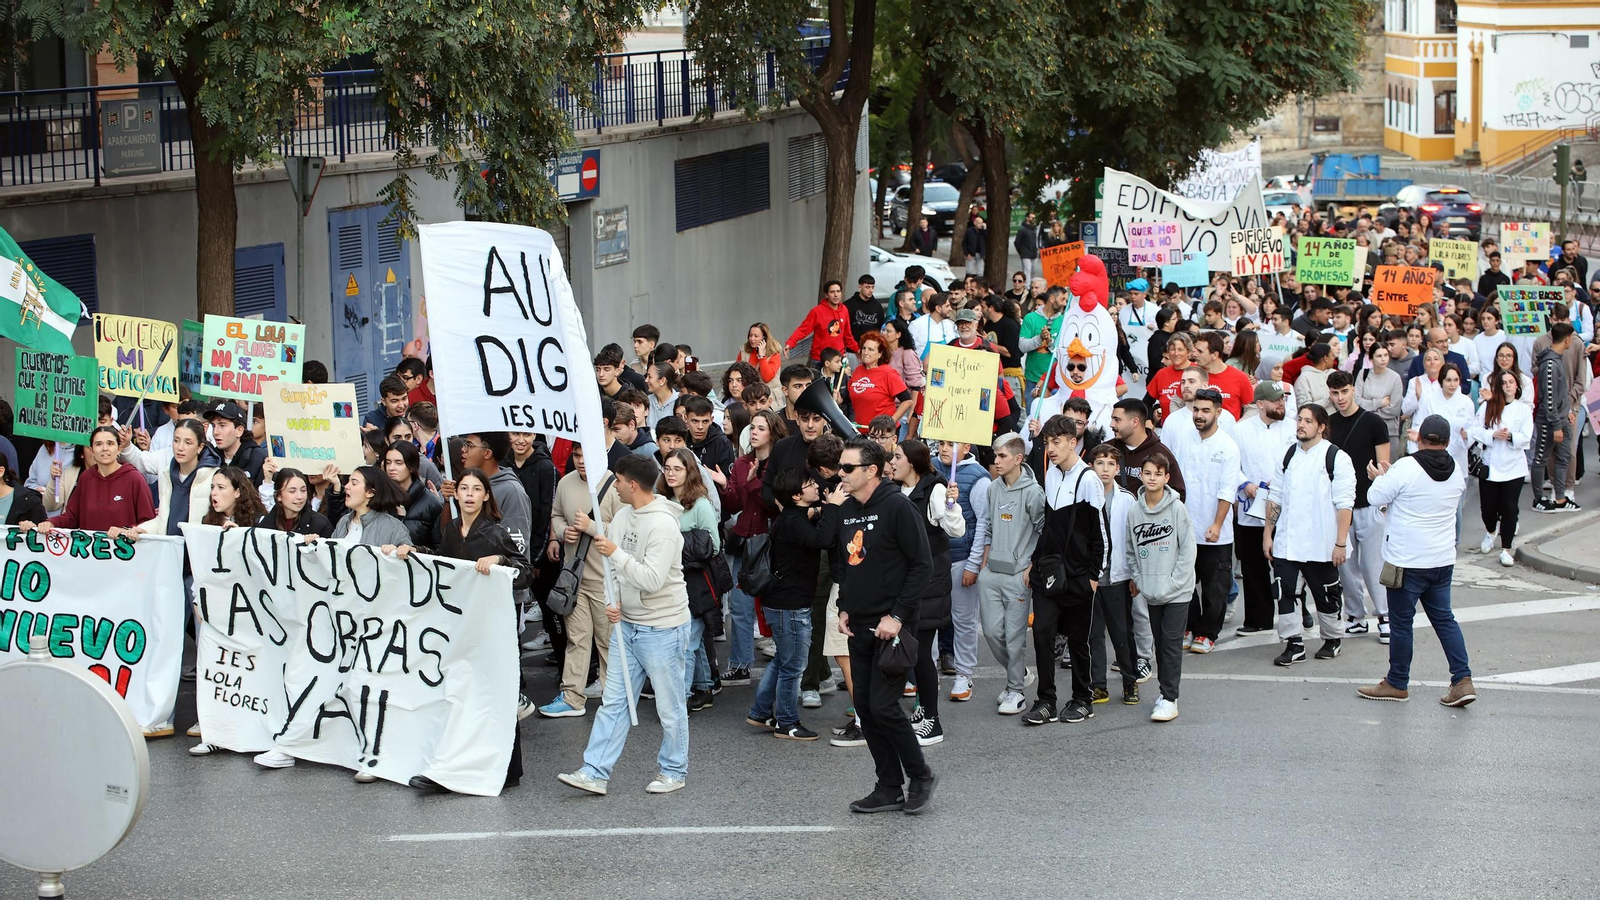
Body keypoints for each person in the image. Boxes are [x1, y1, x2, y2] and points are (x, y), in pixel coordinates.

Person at [379, 467, 534, 791]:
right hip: (457, 629)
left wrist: (501, 562)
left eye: (476, 489)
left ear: (485, 496)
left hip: (490, 631)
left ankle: (506, 769)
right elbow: (442, 561)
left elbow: (527, 572)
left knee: (494, 697)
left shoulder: (495, 534)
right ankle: (449, 768)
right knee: (456, 696)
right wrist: (416, 553)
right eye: (464, 488)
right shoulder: (449, 529)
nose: (468, 494)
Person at [558, 453, 693, 797]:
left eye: (617, 481)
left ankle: (673, 770)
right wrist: (611, 601)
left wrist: (616, 552)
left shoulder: (663, 526)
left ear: (633, 485)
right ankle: (594, 772)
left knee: (669, 705)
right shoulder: (621, 515)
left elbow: (651, 579)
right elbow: (611, 571)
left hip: (662, 628)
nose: (613, 486)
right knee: (613, 701)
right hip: (626, 626)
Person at [833, 438, 936, 815]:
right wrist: (844, 606)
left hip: (892, 628)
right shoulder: (846, 511)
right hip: (858, 626)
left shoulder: (897, 507)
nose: (839, 474)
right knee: (865, 705)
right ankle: (889, 786)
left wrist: (897, 616)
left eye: (847, 468)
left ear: (871, 471)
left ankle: (920, 775)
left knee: (884, 706)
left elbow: (922, 565)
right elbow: (846, 564)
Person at [1359, 415, 1476, 707]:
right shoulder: (1455, 470)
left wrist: (1383, 477)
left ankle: (1397, 682)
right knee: (1444, 619)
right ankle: (1462, 680)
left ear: (1418, 438)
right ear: (1447, 442)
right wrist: (1393, 480)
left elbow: (1375, 496)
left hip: (1405, 560)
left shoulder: (1407, 467)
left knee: (1401, 623)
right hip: (1441, 559)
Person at [1022, 416, 1107, 725]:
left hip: (1079, 577)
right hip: (1049, 571)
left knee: (1077, 641)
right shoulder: (1052, 474)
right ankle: (1046, 700)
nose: (1051, 448)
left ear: (1073, 442)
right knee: (1043, 634)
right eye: (1047, 442)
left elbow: (1101, 535)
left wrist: (1094, 577)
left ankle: (1083, 699)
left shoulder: (1088, 480)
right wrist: (1035, 560)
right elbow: (1049, 527)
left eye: (1056, 442)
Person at [750, 464, 841, 741]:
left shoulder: (794, 515)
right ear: (796, 495)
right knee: (793, 666)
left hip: (783, 602)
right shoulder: (793, 521)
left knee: (783, 660)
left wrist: (823, 510)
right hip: (789, 605)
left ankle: (760, 712)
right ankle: (787, 723)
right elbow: (822, 539)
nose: (816, 486)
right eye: (810, 484)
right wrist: (834, 507)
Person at [1265, 405, 1356, 666]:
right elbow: (1275, 497)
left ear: (1321, 427)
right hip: (1287, 542)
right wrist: (1268, 534)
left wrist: (1340, 543)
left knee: (1326, 594)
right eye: (1299, 419)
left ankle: (1332, 639)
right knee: (1284, 592)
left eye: (1308, 421)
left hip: (1322, 543)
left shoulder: (1337, 458)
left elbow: (1344, 504)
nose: (1301, 425)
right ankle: (1294, 644)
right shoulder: (1287, 455)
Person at [539, 442, 622, 718]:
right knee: (577, 639)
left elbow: (626, 530)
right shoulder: (565, 483)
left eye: (586, 455)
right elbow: (556, 516)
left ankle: (614, 697)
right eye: (576, 456)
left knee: (608, 641)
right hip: (573, 580)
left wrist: (591, 527)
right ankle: (572, 696)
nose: (581, 461)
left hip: (605, 581)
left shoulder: (613, 484)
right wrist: (563, 532)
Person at [890, 439, 964, 746]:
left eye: (896, 456)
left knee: (920, 654)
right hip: (906, 584)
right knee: (911, 653)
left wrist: (950, 504)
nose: (891, 461)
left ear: (912, 462)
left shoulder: (934, 490)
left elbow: (956, 530)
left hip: (929, 585)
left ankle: (932, 720)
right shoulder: (898, 490)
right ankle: (922, 714)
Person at [1168, 388, 1241, 655]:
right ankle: (1190, 627)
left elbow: (1227, 491)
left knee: (1215, 588)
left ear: (1218, 413)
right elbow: (1175, 480)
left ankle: (1208, 633)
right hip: (1185, 527)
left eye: (1205, 410)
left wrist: (1218, 524)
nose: (1199, 415)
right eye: (1196, 410)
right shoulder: (1184, 439)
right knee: (1185, 583)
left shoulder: (1228, 446)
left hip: (1215, 531)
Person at [1125, 451, 1195, 723]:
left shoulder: (1177, 509)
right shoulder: (1135, 511)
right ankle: (1166, 692)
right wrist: (1141, 581)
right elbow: (1131, 550)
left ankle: (1169, 698)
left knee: (1170, 644)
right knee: (1160, 644)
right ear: (1141, 476)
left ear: (1167, 478)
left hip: (1177, 592)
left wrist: (1172, 584)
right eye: (1147, 473)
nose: (1152, 478)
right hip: (1151, 591)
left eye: (1158, 473)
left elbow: (1188, 551)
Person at [1326, 370, 1394, 642]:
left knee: (1373, 562)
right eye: (1335, 393)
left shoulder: (1374, 422)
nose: (1340, 398)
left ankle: (1385, 614)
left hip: (1369, 503)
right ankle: (1355, 614)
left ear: (1353, 390)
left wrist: (1384, 499)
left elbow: (1384, 467)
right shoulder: (1328, 424)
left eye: (1344, 392)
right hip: (1342, 505)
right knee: (1345, 564)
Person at [656, 448, 722, 712]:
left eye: (677, 469)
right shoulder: (660, 500)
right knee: (690, 638)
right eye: (667, 468)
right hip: (670, 581)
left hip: (696, 583)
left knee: (687, 642)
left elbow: (714, 546)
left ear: (689, 471)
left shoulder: (701, 504)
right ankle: (704, 686)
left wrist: (676, 546)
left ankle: (678, 701)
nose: (671, 473)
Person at [1233, 382, 1295, 636]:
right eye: (1274, 400)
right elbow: (1231, 463)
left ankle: (1297, 614)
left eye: (1282, 399)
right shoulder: (1240, 430)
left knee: (1289, 564)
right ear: (1260, 404)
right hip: (1251, 508)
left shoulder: (1292, 427)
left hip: (1285, 506)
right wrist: (1244, 483)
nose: (1280, 403)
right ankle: (1259, 618)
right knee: (1253, 564)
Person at [934, 440, 992, 703]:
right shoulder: (932, 468)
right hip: (933, 559)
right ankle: (923, 672)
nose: (943, 450)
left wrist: (973, 563)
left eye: (950, 445)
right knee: (928, 619)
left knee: (964, 620)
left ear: (966, 447)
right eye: (941, 444)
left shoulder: (979, 477)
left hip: (960, 559)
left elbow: (983, 523)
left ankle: (964, 673)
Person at [23, 426, 153, 535]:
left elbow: (148, 523)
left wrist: (125, 531)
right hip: (90, 560)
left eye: (110, 443)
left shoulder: (135, 479)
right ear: (91, 450)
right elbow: (72, 517)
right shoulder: (86, 478)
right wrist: (51, 522)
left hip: (126, 557)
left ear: (119, 449)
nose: (105, 448)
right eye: (98, 444)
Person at [1086, 442, 1140, 707]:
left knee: (1122, 632)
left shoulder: (1127, 500)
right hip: (1092, 578)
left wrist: (1134, 576)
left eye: (1110, 464)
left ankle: (1130, 681)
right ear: (1091, 466)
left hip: (1118, 577)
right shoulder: (1084, 497)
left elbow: (1133, 541)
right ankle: (1098, 685)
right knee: (1094, 634)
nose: (1104, 469)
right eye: (1099, 463)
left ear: (1118, 469)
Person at [1470, 370, 1534, 566]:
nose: (1507, 385)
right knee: (1488, 508)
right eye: (1504, 382)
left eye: (1511, 382)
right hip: (1491, 465)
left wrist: (1511, 437)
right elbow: (1475, 430)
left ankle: (1507, 548)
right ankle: (1491, 531)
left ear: (1517, 385)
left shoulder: (1523, 410)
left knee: (1509, 508)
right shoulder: (1488, 406)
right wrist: (1493, 435)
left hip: (1513, 466)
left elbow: (1526, 436)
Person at [845, 330, 914, 433]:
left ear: (880, 354)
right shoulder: (858, 370)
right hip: (861, 430)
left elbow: (907, 401)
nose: (866, 352)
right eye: (864, 348)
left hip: (882, 433)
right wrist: (839, 398)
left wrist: (890, 423)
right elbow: (850, 397)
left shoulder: (888, 373)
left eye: (871, 350)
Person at [329, 466, 411, 547]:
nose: (346, 486)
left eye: (354, 483)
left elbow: (408, 556)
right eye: (348, 481)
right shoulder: (344, 521)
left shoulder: (393, 527)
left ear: (370, 492)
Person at [383, 441, 442, 549]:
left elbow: (440, 550)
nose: (391, 468)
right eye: (388, 462)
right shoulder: (380, 499)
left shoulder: (431, 503)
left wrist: (416, 550)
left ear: (412, 466)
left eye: (398, 463)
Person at [787, 280, 860, 367]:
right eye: (832, 292)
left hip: (838, 358)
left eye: (838, 291)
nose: (836, 295)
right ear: (826, 295)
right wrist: (790, 343)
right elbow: (803, 330)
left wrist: (858, 350)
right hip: (820, 359)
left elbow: (847, 336)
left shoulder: (844, 310)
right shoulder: (817, 311)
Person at [1355, 344, 1405, 460]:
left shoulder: (1395, 378)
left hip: (1389, 431)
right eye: (1379, 356)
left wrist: (1369, 409)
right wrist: (1379, 403)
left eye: (1386, 355)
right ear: (1371, 358)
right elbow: (1357, 402)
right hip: (1365, 429)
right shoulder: (1363, 374)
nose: (1383, 359)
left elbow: (1394, 409)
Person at [256, 467, 333, 537]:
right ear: (279, 496)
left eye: (303, 490)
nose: (299, 497)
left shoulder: (320, 524)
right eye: (292, 491)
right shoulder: (265, 526)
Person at [204, 400, 267, 484]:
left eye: (222, 425)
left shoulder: (259, 458)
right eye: (213, 426)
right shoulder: (210, 457)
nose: (216, 432)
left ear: (239, 430)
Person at [201, 466, 268, 529]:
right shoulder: (207, 521)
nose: (213, 493)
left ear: (237, 492)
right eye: (212, 487)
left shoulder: (257, 520)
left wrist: (237, 534)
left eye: (221, 487)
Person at [1014, 212, 1041, 282]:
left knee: (1033, 271)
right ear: (1027, 218)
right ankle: (1027, 287)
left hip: (1034, 252)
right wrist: (1021, 251)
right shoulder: (1022, 229)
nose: (1033, 219)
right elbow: (1017, 242)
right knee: (1027, 270)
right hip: (1025, 253)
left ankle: (1031, 286)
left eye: (1034, 218)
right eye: (1031, 217)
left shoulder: (1034, 229)